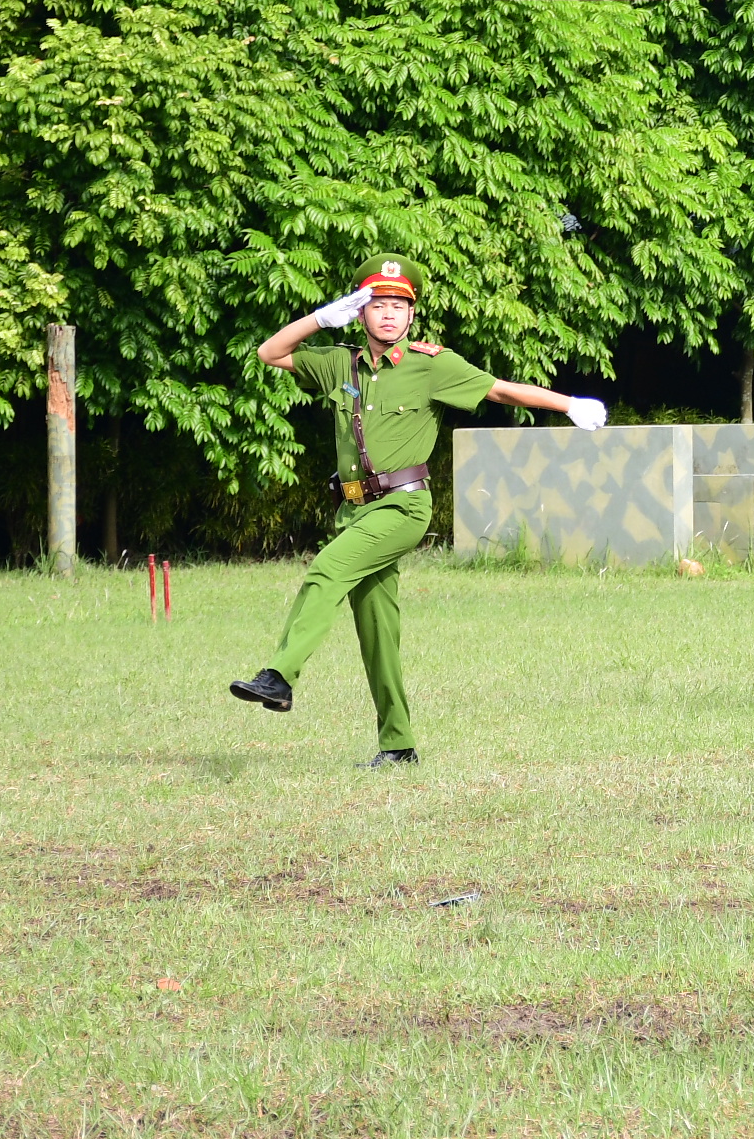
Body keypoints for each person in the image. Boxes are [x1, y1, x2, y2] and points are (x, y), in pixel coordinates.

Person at [229, 255, 607, 764]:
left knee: (326, 570)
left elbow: (498, 389)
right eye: (376, 304)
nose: (388, 314)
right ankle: (399, 746)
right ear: (359, 312)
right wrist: (322, 318)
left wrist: (568, 405)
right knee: (378, 631)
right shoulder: (339, 363)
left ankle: (278, 678)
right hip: (354, 510)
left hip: (404, 507)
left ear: (412, 315)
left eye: (399, 305)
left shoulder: (432, 365)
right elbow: (269, 353)